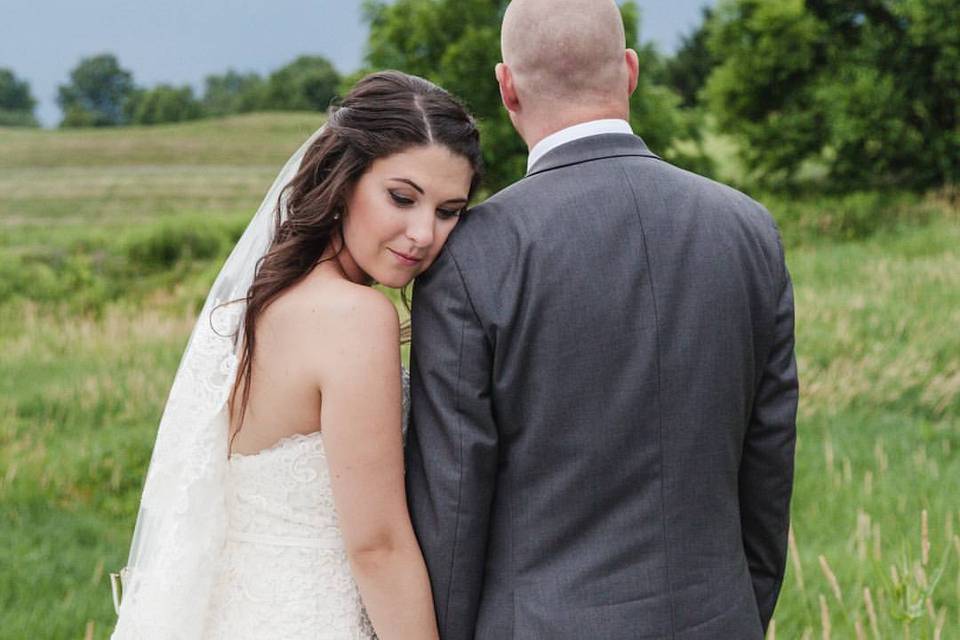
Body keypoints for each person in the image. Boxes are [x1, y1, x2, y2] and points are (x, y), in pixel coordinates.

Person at [404, 0, 799, 638]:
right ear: (630, 70)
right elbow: (768, 463)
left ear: (506, 86)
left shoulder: (473, 256)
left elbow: (454, 504)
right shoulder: (748, 229)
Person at [111, 70, 482, 640]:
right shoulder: (355, 317)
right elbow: (376, 545)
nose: (422, 233)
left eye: (448, 210)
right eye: (402, 198)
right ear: (345, 179)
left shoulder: (263, 298)